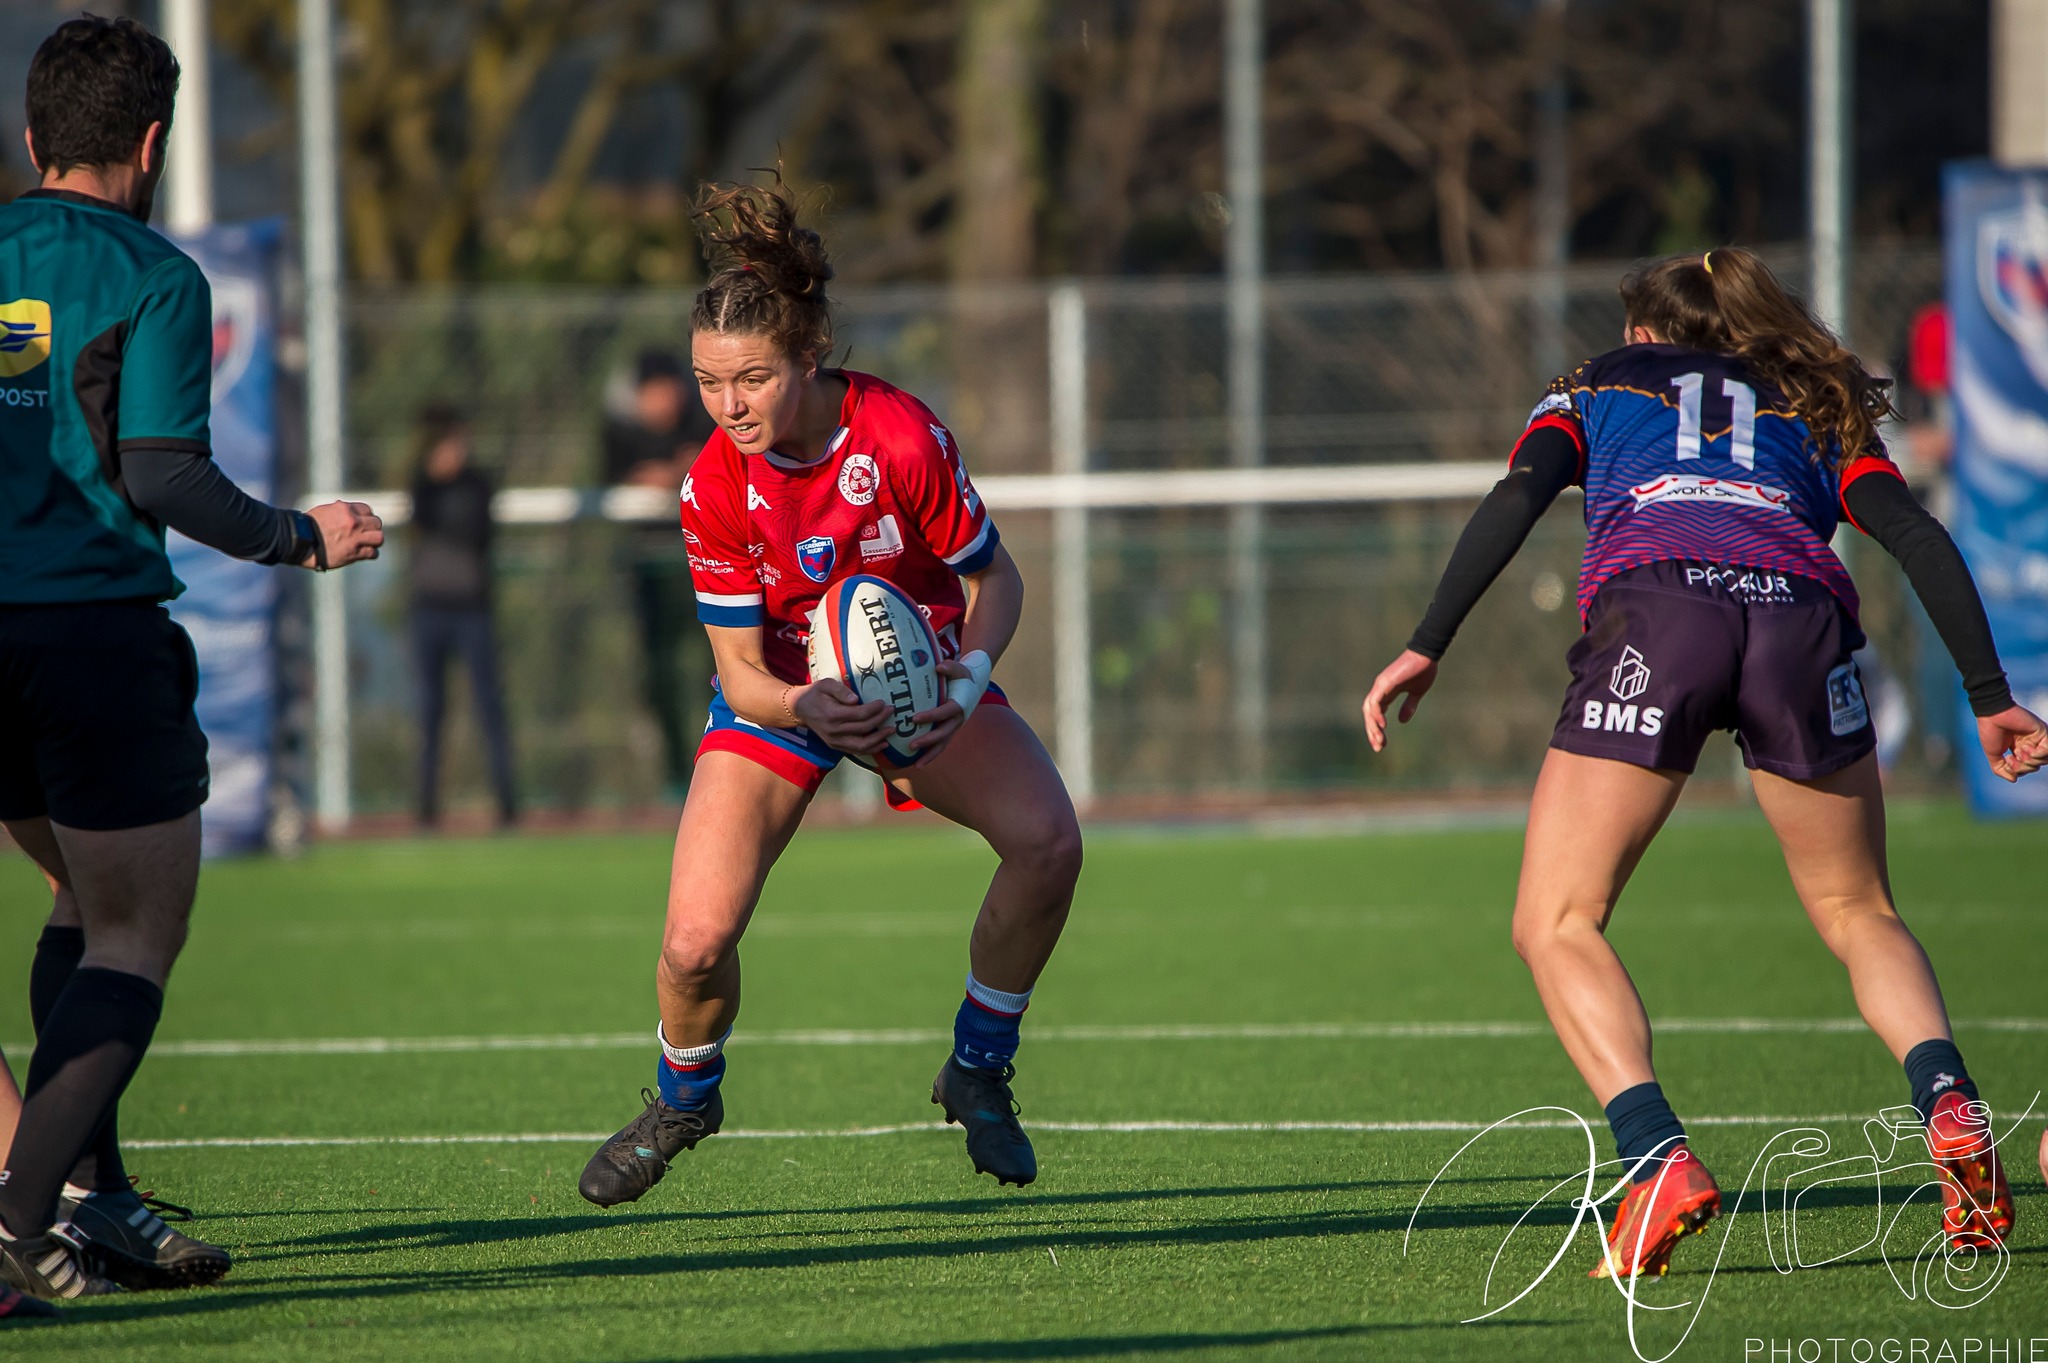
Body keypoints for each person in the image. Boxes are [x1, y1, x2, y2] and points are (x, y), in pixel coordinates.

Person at [1361, 248, 2046, 1281]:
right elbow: (1911, 532)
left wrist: (1427, 642)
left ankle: (1655, 1160)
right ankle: (1949, 1102)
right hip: (1799, 620)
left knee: (1556, 919)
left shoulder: (1596, 380)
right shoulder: (1814, 396)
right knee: (1859, 910)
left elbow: (1517, 493)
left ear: (1647, 332)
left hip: (1663, 606)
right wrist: (1988, 692)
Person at [577, 180, 1082, 1206]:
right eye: (709, 382)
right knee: (692, 944)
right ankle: (685, 1098)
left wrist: (964, 680)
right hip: (782, 699)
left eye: (751, 379)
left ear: (808, 359)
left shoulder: (898, 436)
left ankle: (977, 1065)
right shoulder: (712, 485)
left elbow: (998, 580)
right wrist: (804, 706)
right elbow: (739, 675)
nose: (728, 406)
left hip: (913, 681)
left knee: (1049, 843)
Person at [0, 16, 382, 1312]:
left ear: (34, 136)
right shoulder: (152, 273)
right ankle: (16, 1219)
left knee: (77, 894)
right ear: (153, 142)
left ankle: (90, 1194)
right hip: (89, 637)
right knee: (136, 927)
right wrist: (301, 537)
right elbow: (163, 473)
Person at [603, 348, 718, 801]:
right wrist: (671, 472)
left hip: (705, 564)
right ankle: (675, 774)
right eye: (652, 391)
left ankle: (723, 761)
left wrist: (669, 474)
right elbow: (615, 485)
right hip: (650, 570)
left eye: (668, 388)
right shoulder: (620, 433)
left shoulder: (704, 421)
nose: (662, 400)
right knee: (660, 673)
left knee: (720, 666)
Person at [408, 405, 516, 827]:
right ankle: (426, 805)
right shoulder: (423, 484)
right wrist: (434, 479)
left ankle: (507, 803)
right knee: (431, 709)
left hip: (472, 609)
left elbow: (477, 532)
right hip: (430, 608)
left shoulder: (478, 485)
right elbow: (422, 519)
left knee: (489, 704)